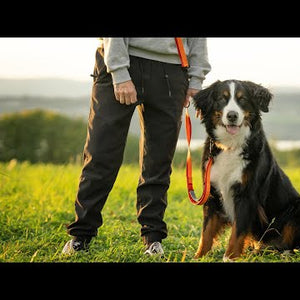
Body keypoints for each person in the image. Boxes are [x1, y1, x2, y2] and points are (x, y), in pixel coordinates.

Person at [62, 38, 211, 256]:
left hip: (172, 69)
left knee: (158, 160)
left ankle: (153, 238)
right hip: (121, 62)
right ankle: (81, 235)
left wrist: (196, 79)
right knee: (101, 154)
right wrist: (120, 72)